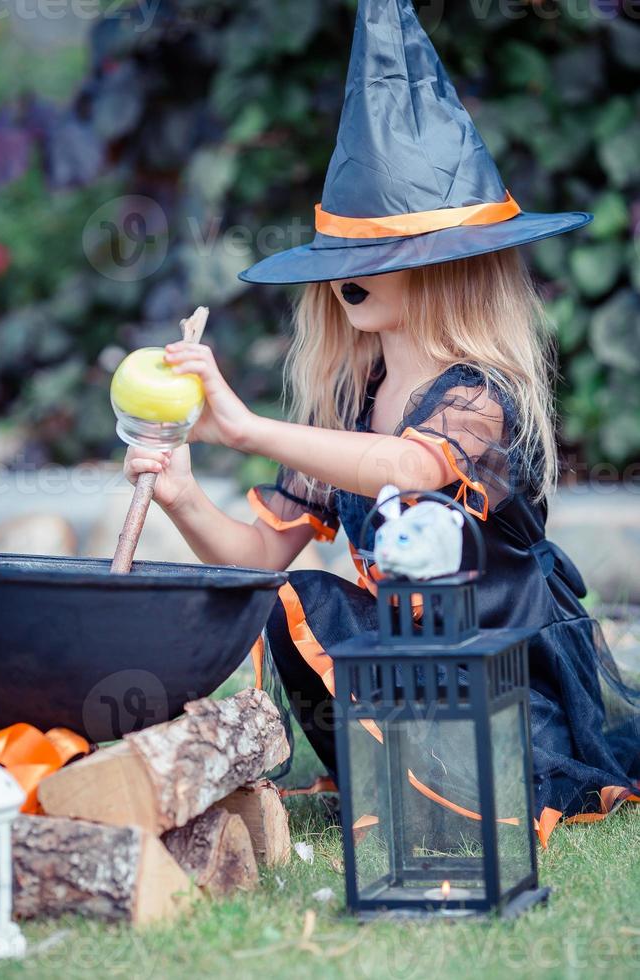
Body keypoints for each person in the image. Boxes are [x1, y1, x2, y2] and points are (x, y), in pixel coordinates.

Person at [123, 0, 639, 843]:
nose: (346, 280)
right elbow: (256, 559)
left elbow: (409, 468)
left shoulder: (480, 399)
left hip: (499, 663)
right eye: (342, 261)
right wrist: (180, 492)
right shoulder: (347, 407)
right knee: (292, 593)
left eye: (377, 260)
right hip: (405, 654)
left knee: (332, 606)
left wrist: (246, 428)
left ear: (444, 270)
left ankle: (442, 776)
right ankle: (378, 766)